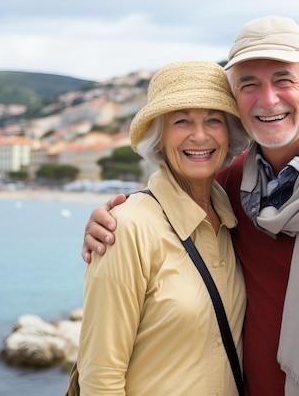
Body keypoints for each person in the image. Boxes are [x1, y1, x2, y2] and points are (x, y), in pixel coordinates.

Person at [81, 16, 299, 395]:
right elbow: (172, 197)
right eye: (249, 85)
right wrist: (115, 218)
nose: (268, 100)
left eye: (284, 80)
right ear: (237, 98)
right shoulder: (230, 187)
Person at [76, 60, 250, 395]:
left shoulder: (238, 217)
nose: (199, 135)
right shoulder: (125, 228)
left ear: (229, 132)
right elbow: (100, 378)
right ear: (159, 137)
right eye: (181, 121)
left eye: (213, 120)